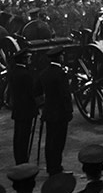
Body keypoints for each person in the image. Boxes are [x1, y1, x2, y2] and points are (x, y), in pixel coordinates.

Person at [38, 47, 73, 175]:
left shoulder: (44, 73)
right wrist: (69, 111)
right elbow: (65, 95)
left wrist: (43, 106)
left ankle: (50, 167)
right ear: (60, 57)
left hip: (49, 112)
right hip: (60, 113)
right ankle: (56, 167)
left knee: (50, 141)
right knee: (58, 142)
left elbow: (37, 92)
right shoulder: (61, 74)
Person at [8, 49, 37, 164]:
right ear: (24, 60)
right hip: (26, 109)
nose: (30, 59)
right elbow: (30, 93)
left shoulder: (14, 72)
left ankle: (19, 159)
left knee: (18, 135)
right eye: (28, 57)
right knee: (24, 136)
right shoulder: (26, 74)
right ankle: (23, 160)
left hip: (18, 108)